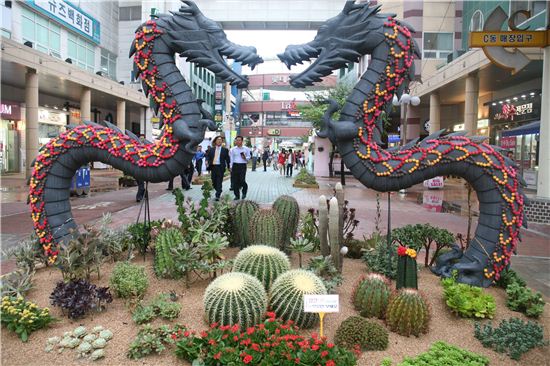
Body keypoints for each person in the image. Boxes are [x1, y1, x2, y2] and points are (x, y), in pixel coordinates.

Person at [206, 136, 230, 201]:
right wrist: (206, 160)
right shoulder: (211, 149)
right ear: (215, 141)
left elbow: (227, 159)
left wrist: (229, 166)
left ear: (222, 142)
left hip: (220, 167)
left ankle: (218, 195)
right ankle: (219, 189)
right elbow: (208, 156)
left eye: (220, 140)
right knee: (214, 181)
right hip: (213, 167)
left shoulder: (225, 150)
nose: (219, 141)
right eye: (218, 140)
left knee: (219, 181)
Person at [230, 135, 251, 200]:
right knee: (235, 182)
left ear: (242, 141)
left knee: (242, 180)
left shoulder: (246, 149)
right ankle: (237, 196)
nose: (238, 141)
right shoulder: (233, 149)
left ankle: (244, 192)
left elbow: (249, 157)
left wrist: (245, 158)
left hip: (242, 166)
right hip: (235, 166)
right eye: (237, 140)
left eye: (239, 140)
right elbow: (231, 158)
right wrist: (230, 166)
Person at [136, 134, 147, 202]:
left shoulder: (146, 147)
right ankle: (139, 197)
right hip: (137, 168)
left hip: (143, 168)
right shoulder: (136, 147)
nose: (142, 139)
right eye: (141, 138)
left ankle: (143, 195)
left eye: (143, 138)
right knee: (141, 184)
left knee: (141, 184)